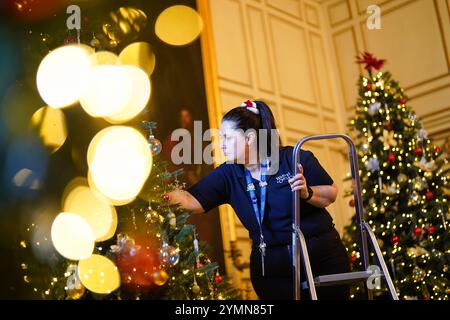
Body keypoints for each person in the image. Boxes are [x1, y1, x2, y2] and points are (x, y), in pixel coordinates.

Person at [166, 100, 350, 300]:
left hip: (320, 257)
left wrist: (307, 192)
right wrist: (153, 191)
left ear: (250, 138)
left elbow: (331, 193)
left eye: (227, 137)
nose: (222, 144)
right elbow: (190, 200)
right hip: (270, 268)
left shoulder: (293, 158)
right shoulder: (229, 173)